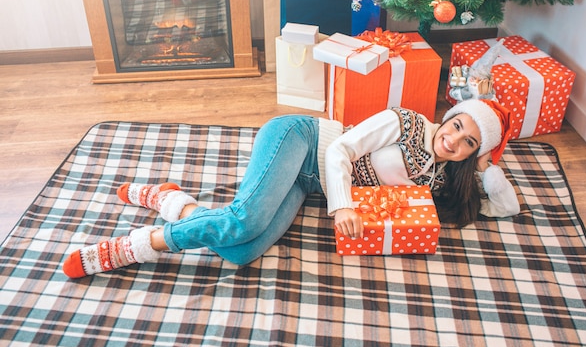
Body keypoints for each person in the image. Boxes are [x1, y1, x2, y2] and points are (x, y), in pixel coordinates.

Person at [63, 99, 520, 279]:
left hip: (309, 183)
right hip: (302, 140)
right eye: (457, 125)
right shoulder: (406, 122)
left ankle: (171, 201)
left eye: (469, 143)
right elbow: (340, 149)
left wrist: (486, 165)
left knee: (241, 252)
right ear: (451, 113)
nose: (454, 139)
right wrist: (342, 207)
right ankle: (134, 246)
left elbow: (506, 206)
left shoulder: (440, 179)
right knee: (246, 219)